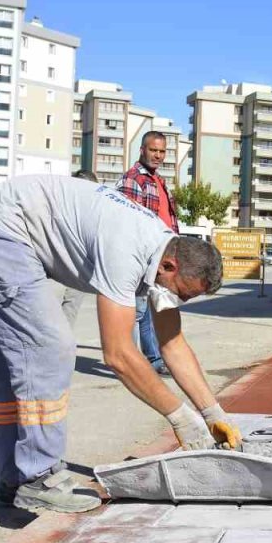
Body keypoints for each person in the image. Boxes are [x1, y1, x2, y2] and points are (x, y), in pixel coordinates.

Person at [0, 174, 241, 514]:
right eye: (181, 292)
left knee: (18, 360)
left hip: (10, 230)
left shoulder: (164, 252)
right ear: (169, 266)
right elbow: (118, 354)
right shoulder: (127, 248)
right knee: (50, 347)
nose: (178, 300)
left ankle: (16, 477)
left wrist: (212, 414)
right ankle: (38, 478)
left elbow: (172, 343)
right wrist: (181, 418)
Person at [116, 132, 180, 376]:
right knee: (136, 311)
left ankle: (153, 360)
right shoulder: (134, 179)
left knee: (151, 311)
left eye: (162, 151)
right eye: (153, 150)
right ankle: (130, 363)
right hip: (141, 256)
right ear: (142, 150)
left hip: (159, 256)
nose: (158, 155)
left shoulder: (158, 181)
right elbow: (129, 221)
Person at [60, 169, 99, 328]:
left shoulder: (99, 205)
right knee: (71, 301)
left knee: (115, 304)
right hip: (79, 261)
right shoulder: (68, 205)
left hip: (100, 260)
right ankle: (60, 341)